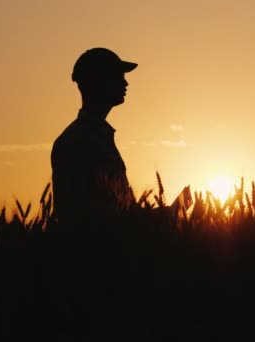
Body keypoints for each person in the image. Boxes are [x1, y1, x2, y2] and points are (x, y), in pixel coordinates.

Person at [51, 47, 179, 230]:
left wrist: (165, 215)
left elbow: (117, 210)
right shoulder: (78, 142)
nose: (125, 83)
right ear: (97, 81)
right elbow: (91, 221)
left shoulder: (96, 136)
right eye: (118, 76)